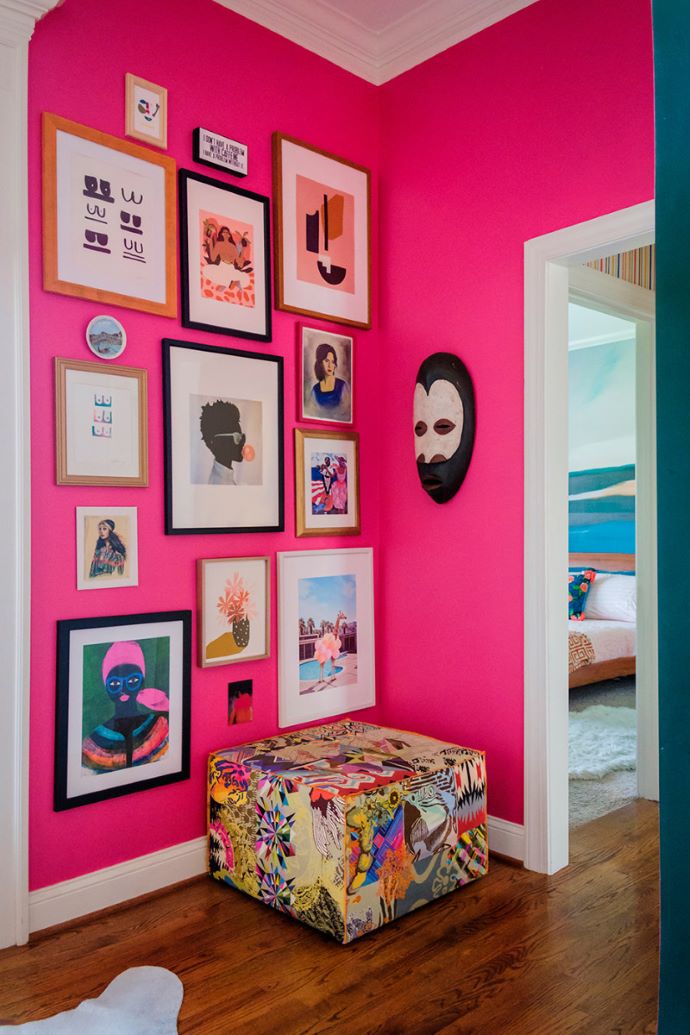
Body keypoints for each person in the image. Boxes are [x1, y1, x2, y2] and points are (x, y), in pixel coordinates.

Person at [82, 640, 169, 773]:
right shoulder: (93, 742)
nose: (123, 689)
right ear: (106, 687)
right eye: (115, 684)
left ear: (142, 682)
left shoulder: (159, 727)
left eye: (132, 681)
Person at [199, 399, 246, 485]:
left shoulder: (226, 480)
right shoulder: (220, 483)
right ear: (217, 442)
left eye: (242, 437)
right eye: (237, 437)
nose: (242, 443)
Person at [311, 343, 350, 416]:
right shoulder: (315, 390)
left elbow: (346, 412)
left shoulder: (342, 386)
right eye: (326, 361)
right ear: (320, 363)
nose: (330, 365)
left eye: (332, 362)